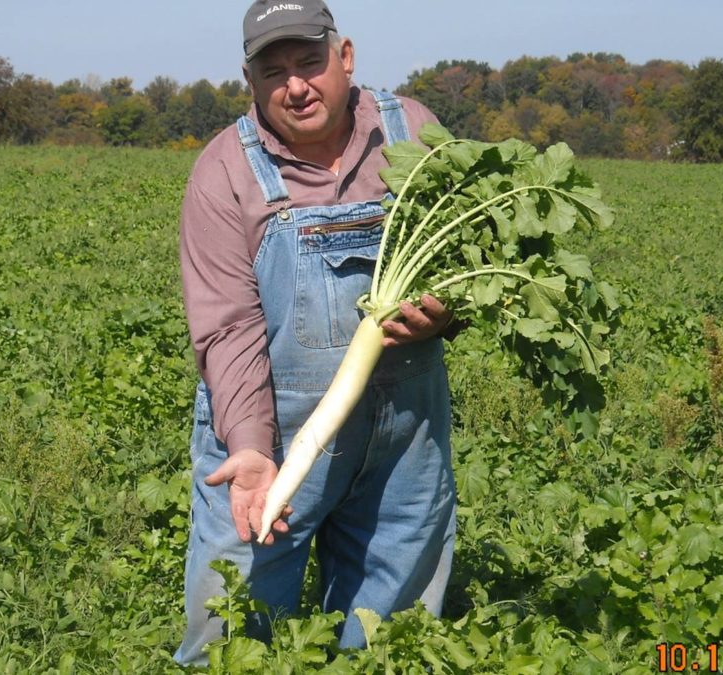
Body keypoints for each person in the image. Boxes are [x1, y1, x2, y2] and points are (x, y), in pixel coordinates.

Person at [175, 0, 458, 664]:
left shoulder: (414, 132)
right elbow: (228, 329)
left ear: (345, 56)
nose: (295, 85)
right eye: (274, 71)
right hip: (271, 438)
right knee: (234, 632)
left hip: (404, 441)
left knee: (391, 639)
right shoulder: (225, 172)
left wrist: (448, 309)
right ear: (251, 82)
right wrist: (248, 448)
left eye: (309, 61)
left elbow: (463, 257)